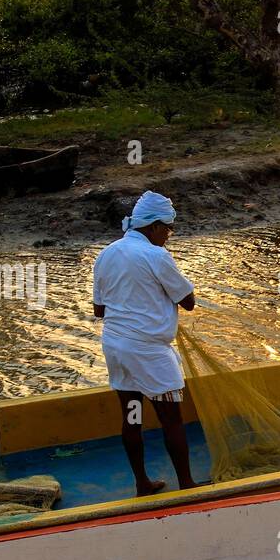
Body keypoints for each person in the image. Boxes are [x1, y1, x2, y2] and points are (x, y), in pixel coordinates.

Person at [92, 191, 201, 496]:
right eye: (167, 229)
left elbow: (99, 310)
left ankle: (142, 483)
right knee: (171, 420)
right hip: (148, 350)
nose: (168, 236)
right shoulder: (156, 256)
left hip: (115, 346)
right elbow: (188, 301)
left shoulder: (106, 254)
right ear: (153, 226)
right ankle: (188, 486)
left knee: (132, 415)